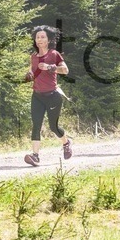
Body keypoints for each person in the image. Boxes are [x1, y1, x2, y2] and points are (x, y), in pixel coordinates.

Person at [24, 26, 72, 166]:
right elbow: (32, 73)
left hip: (52, 96)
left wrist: (50, 67)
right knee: (36, 125)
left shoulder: (54, 54)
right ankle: (35, 156)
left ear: (49, 39)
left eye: (43, 37)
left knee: (53, 126)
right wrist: (29, 76)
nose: (40, 39)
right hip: (37, 96)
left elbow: (65, 70)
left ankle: (66, 143)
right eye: (37, 37)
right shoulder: (33, 57)